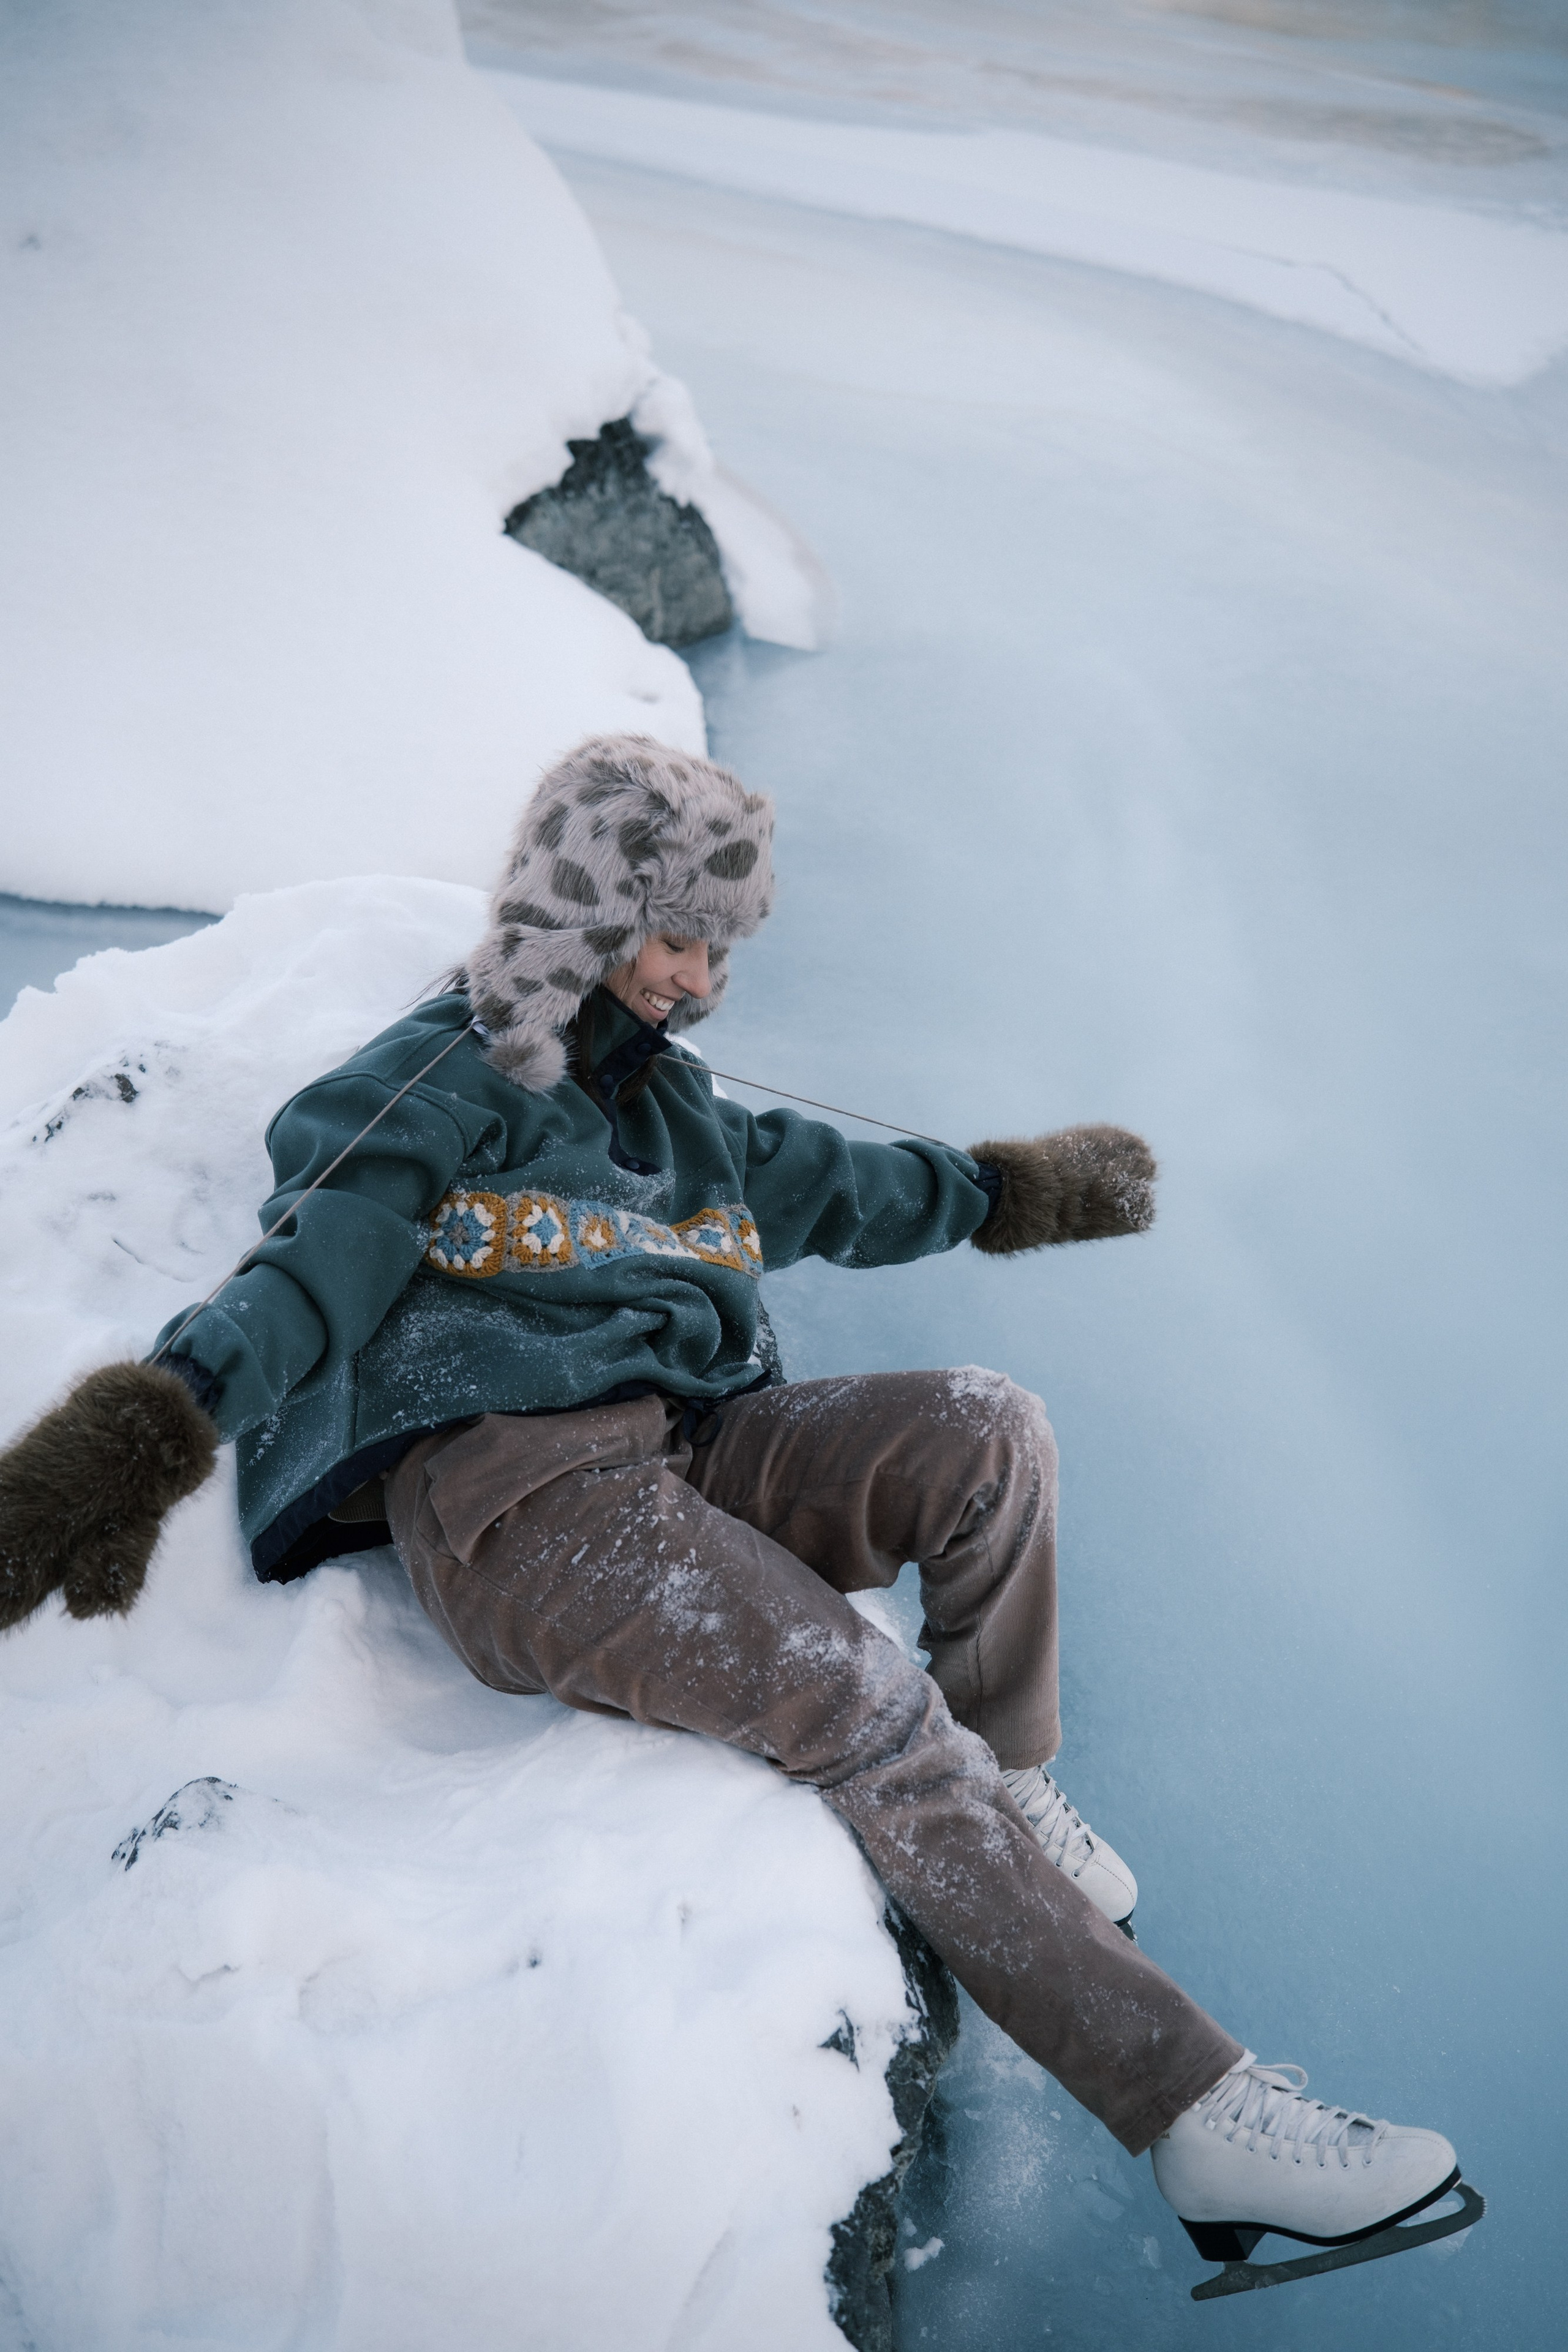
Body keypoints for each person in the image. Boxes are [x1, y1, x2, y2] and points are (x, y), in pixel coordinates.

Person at [0, 735, 1463, 2270]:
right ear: (586, 912)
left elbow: (843, 1183)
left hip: (681, 1449)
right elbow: (308, 1271)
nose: (699, 980)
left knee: (986, 1432)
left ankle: (1008, 1782)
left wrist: (1018, 1190)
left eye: (720, 948)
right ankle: (1197, 2119)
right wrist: (142, 1437)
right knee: (864, 1704)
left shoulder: (676, 1108)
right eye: (677, 939)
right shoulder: (440, 1083)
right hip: (522, 1508)